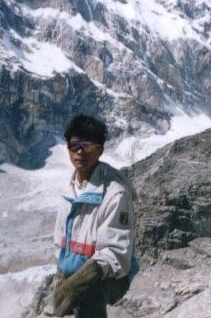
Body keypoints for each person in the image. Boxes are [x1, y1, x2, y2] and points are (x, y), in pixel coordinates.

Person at [51, 115, 138, 317]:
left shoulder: (115, 193)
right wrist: (62, 277)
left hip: (110, 274)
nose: (80, 152)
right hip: (73, 269)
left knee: (90, 296)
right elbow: (60, 241)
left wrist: (78, 283)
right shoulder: (70, 189)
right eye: (75, 145)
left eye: (88, 146)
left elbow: (115, 252)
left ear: (99, 150)